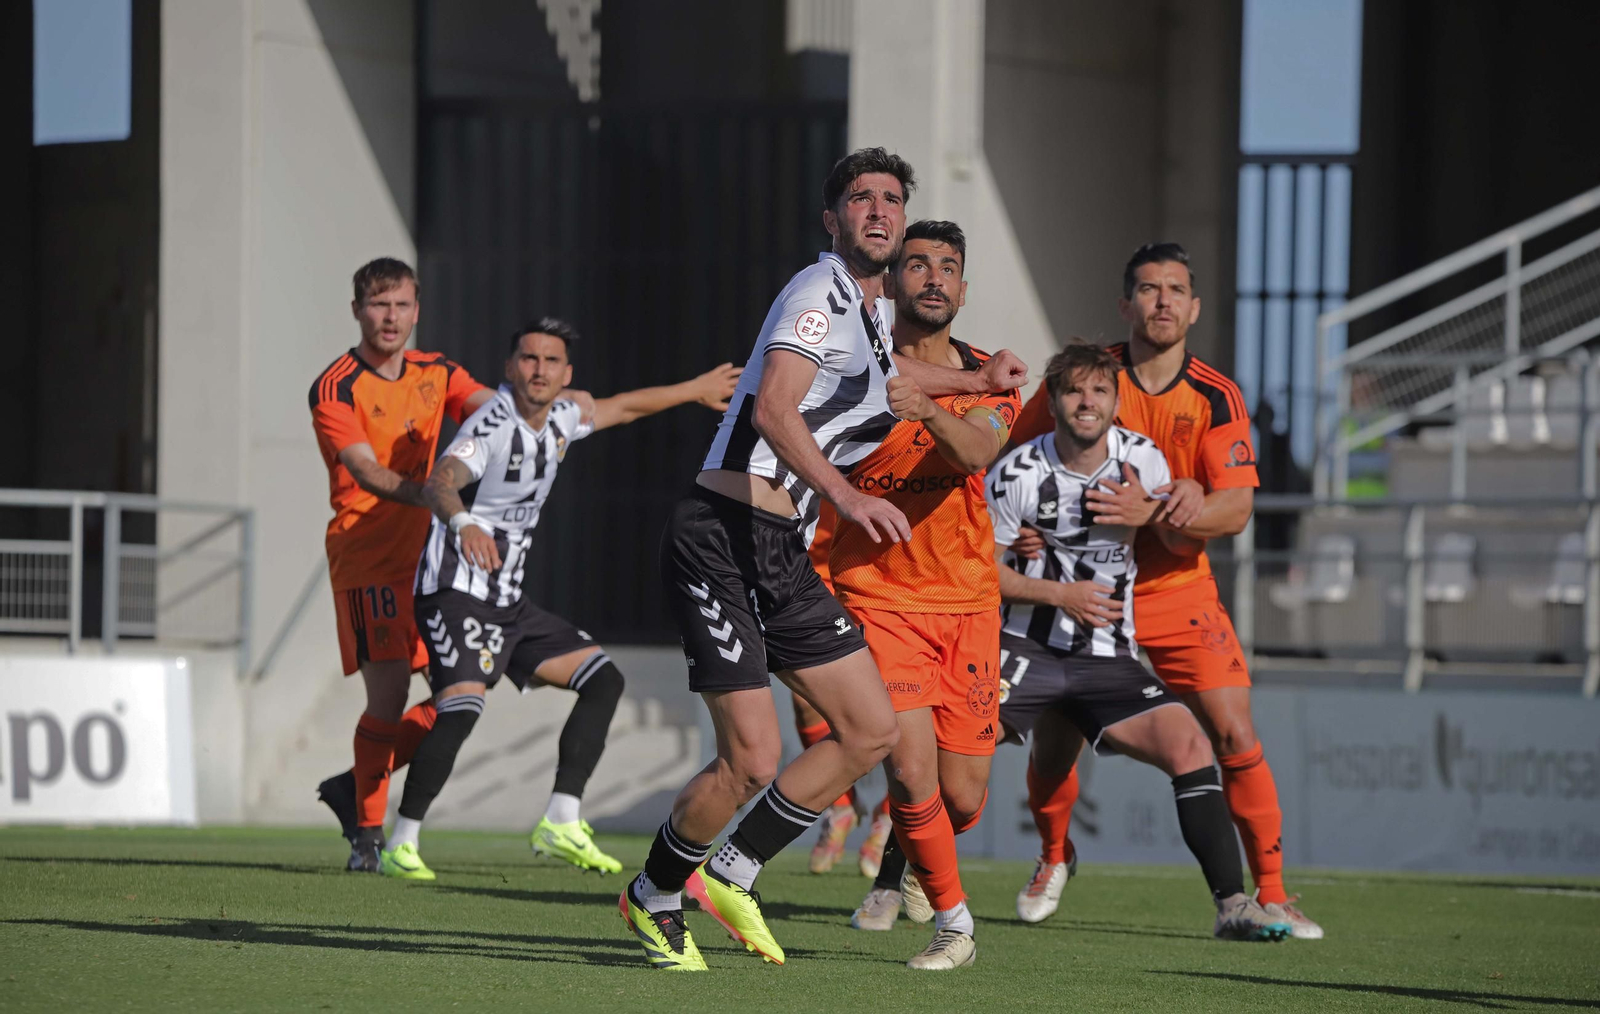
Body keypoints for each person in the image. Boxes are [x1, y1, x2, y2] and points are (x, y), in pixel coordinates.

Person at [619, 148, 1027, 972]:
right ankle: (657, 891)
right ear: (831, 220)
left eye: (890, 200)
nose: (878, 210)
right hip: (722, 538)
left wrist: (976, 376)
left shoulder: (870, 314)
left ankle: (730, 871)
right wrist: (845, 496)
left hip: (777, 549)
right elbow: (773, 407)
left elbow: (893, 369)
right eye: (860, 198)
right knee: (752, 762)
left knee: (870, 732)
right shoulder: (818, 293)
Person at [1004, 243, 1322, 939]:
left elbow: (1234, 511)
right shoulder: (1087, 379)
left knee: (1234, 733)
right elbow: (1007, 464)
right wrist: (1020, 533)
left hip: (1176, 590)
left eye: (1176, 289)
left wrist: (1157, 511)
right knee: (1054, 744)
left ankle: (1270, 892)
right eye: (1148, 289)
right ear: (1126, 305)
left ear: (1195, 306)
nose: (1163, 302)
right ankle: (1053, 855)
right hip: (1079, 596)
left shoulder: (1215, 395)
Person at [375, 319, 740, 880]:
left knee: (603, 679)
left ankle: (561, 818)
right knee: (463, 707)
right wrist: (467, 523)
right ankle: (401, 840)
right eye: (528, 358)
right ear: (509, 368)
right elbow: (443, 480)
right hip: (455, 591)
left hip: (507, 598)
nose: (538, 369)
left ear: (566, 375)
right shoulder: (493, 421)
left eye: (550, 361)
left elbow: (624, 407)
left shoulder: (566, 415)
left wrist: (693, 390)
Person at [308, 258, 494, 871]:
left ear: (417, 310)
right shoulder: (336, 385)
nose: (391, 318)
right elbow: (364, 469)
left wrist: (541, 413)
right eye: (379, 305)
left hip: (432, 558)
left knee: (461, 692)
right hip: (368, 558)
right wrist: (433, 494)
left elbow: (493, 412)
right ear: (358, 309)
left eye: (402, 305)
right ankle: (367, 834)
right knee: (387, 698)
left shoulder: (437, 370)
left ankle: (353, 785)